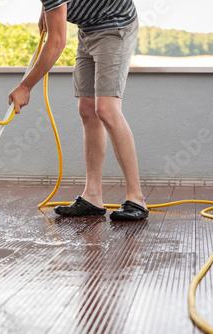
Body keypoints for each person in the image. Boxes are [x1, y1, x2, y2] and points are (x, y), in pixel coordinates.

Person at [8, 0, 149, 221]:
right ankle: (92, 196)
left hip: (115, 26)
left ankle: (137, 198)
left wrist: (26, 87)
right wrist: (44, 12)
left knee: (106, 109)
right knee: (87, 109)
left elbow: (56, 42)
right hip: (88, 30)